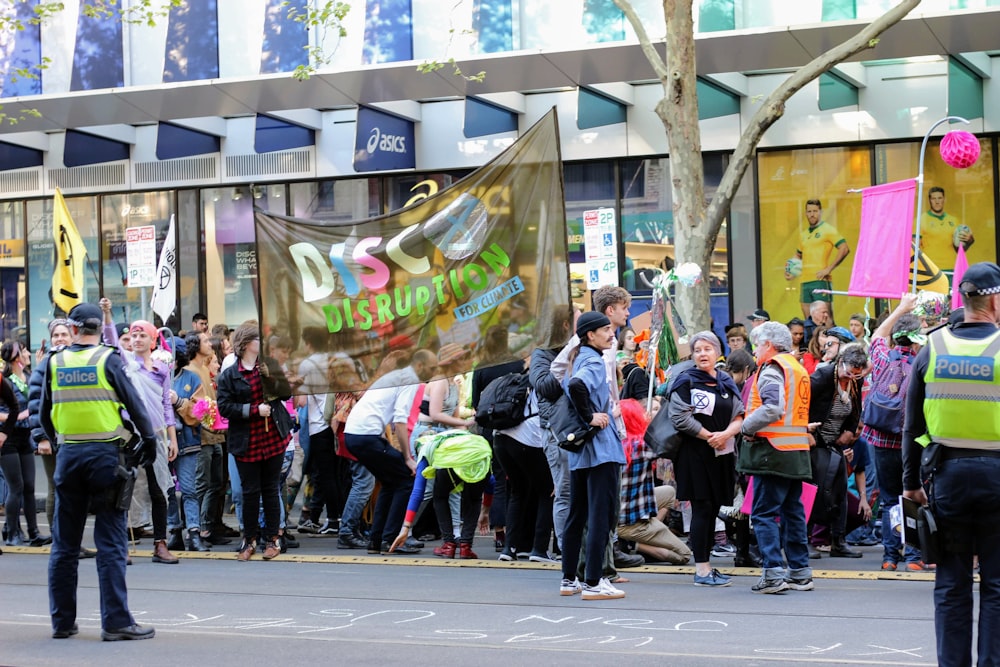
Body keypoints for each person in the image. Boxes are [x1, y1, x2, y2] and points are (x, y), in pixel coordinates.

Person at [33, 302, 157, 641]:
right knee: (111, 540)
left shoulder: (54, 362)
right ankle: (116, 622)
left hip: (69, 456)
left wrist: (60, 444)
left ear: (73, 329)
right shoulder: (108, 359)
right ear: (99, 329)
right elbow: (136, 405)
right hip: (106, 458)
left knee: (64, 544)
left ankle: (62, 622)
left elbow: (43, 416)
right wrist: (149, 441)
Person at [902, 262, 1000, 667]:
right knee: (995, 585)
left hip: (946, 478)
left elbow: (911, 425)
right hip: (997, 477)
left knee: (952, 581)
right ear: (994, 299)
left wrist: (910, 483)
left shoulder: (933, 347)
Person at [737, 321, 814, 594]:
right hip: (796, 450)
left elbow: (772, 407)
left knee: (763, 513)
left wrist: (746, 427)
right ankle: (800, 572)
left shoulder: (772, 368)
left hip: (772, 450)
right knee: (793, 511)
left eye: (757, 345)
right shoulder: (797, 368)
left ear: (768, 345)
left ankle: (772, 575)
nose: (755, 351)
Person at [558, 311, 627, 601]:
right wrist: (592, 416)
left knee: (577, 515)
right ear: (590, 335)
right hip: (601, 449)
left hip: (581, 452)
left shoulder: (577, 358)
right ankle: (595, 582)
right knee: (601, 515)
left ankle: (569, 579)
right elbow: (577, 387)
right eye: (606, 330)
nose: (612, 334)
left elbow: (571, 385)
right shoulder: (594, 361)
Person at [344, 350, 437, 555]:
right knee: (406, 480)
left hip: (355, 434)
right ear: (419, 365)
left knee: (390, 482)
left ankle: (377, 541)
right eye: (432, 368)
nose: (434, 372)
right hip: (366, 435)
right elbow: (400, 420)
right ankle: (391, 539)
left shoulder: (395, 376)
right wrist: (406, 457)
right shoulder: (409, 379)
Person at [669, 331, 743, 587]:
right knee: (701, 508)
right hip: (695, 455)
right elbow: (679, 417)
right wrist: (709, 436)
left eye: (707, 349)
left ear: (718, 352)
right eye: (698, 349)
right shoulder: (685, 381)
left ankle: (709, 566)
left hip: (722, 453)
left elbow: (739, 414)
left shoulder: (725, 381)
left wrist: (725, 435)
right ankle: (701, 570)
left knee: (713, 510)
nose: (702, 353)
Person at [216, 323, 294, 561]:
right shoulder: (230, 374)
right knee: (249, 492)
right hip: (246, 441)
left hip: (273, 437)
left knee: (271, 490)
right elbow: (224, 407)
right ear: (247, 343)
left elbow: (286, 393)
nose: (262, 342)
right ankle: (249, 539)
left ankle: (272, 539)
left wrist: (272, 379)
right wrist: (252, 410)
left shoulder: (269, 365)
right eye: (258, 339)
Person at [860, 294, 925, 571]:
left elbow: (876, 335)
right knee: (911, 498)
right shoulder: (923, 364)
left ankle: (889, 557)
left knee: (888, 500)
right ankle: (913, 557)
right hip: (911, 442)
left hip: (880, 439)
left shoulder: (882, 357)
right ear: (916, 339)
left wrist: (901, 307)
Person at [807, 343, 869, 559]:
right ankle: (805, 540)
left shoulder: (854, 382)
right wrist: (805, 432)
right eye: (848, 372)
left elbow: (856, 410)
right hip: (815, 441)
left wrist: (850, 432)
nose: (851, 377)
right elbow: (802, 403)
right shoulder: (822, 377)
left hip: (836, 443)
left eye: (855, 375)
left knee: (839, 489)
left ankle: (838, 541)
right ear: (840, 362)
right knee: (812, 490)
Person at [391, 428, 492, 559]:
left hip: (449, 462)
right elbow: (492, 483)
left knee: (440, 496)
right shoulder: (454, 436)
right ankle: (466, 547)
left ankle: (448, 545)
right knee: (474, 499)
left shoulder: (426, 447)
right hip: (481, 453)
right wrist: (485, 512)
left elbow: (417, 492)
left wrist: (406, 527)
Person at [617, 398, 692, 565]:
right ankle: (635, 543)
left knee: (669, 492)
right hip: (630, 521)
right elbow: (666, 443)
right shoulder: (641, 445)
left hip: (621, 510)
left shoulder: (613, 443)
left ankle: (648, 533)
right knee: (684, 555)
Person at [1, 341, 50, 547]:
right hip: (7, 438)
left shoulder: (28, 377)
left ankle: (34, 532)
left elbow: (37, 398)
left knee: (29, 486)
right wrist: (21, 414)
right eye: (23, 351)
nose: (27, 353)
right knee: (16, 487)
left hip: (25, 437)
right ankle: (12, 532)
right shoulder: (6, 381)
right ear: (15, 357)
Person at [790, 199, 850, 320]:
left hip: (820, 280)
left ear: (820, 212)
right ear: (806, 213)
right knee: (809, 321)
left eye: (815, 211)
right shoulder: (803, 234)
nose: (812, 214)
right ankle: (812, 339)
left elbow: (844, 248)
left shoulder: (828, 229)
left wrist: (829, 269)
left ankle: (831, 338)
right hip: (804, 282)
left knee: (825, 319)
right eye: (809, 211)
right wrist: (790, 270)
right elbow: (798, 255)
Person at [918, 186, 973, 271]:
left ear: (944, 199)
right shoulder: (921, 220)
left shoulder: (954, 220)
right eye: (933, 198)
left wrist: (969, 241)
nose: (937, 201)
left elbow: (959, 250)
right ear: (929, 200)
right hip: (931, 269)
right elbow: (915, 249)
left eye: (940, 198)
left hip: (952, 268)